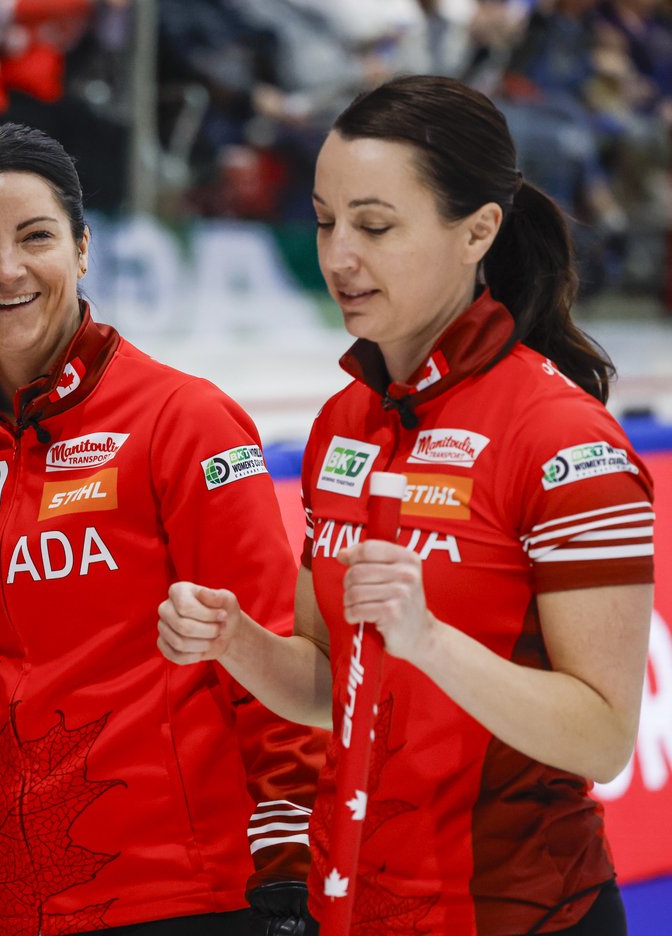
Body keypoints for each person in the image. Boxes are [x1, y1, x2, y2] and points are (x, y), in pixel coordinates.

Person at [0, 123, 326, 936]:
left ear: (82, 249)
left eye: (34, 237)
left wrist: (290, 854)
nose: (6, 270)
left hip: (179, 893)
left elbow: (269, 648)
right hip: (1, 898)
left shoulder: (186, 421)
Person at [157, 74, 654, 935]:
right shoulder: (342, 424)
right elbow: (331, 685)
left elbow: (604, 737)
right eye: (324, 221)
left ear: (478, 232)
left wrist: (431, 643)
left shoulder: (566, 444)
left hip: (521, 915)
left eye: (376, 226)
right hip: (359, 910)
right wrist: (236, 642)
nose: (339, 255)